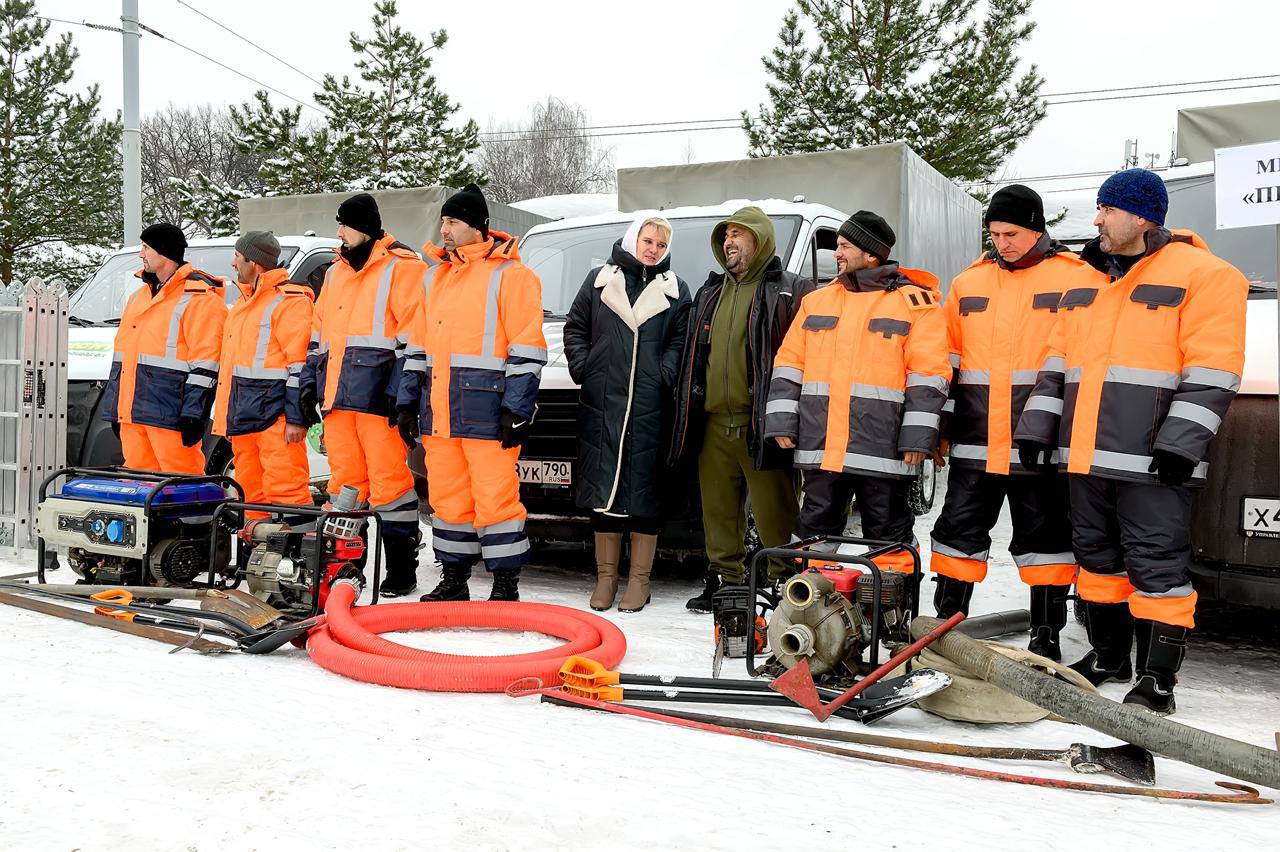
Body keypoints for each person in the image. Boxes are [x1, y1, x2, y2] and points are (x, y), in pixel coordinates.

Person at [1015, 169, 1247, 714]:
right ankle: (1109, 657)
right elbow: (1056, 367)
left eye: (1106, 210)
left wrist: (1181, 443)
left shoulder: (1206, 275)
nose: (1096, 220)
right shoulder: (1085, 282)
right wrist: (1035, 429)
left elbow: (1215, 368)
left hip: (1155, 460)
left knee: (1157, 567)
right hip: (1085, 456)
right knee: (1096, 562)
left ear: (1142, 216)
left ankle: (1158, 682)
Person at [929, 186, 1085, 660]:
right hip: (976, 441)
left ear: (1037, 227)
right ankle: (945, 627)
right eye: (995, 234)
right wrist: (939, 425)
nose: (1003, 243)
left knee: (1046, 543)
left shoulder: (1075, 279)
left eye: (1012, 233)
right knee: (956, 536)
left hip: (1038, 442)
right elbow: (945, 362)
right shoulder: (968, 284)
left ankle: (1046, 634)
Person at [766, 211, 949, 577]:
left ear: (871, 254)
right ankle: (813, 617)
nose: (837, 252)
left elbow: (929, 377)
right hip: (822, 448)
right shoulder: (818, 301)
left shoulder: (917, 305)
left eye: (845, 245)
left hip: (883, 452)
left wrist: (918, 438)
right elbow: (789, 364)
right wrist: (782, 420)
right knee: (813, 543)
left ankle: (891, 616)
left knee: (888, 544)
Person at [400, 184, 547, 603]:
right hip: (440, 413)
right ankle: (455, 578)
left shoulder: (513, 276)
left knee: (495, 498)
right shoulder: (433, 279)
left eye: (453, 222)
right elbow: (417, 346)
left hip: (487, 409)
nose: (444, 229)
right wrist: (408, 401)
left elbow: (528, 348)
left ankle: (505, 583)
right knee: (448, 499)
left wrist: (517, 408)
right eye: (443, 221)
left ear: (477, 227)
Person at [669, 206, 816, 612]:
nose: (729, 242)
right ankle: (726, 583)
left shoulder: (790, 290)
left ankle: (786, 588)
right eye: (726, 236)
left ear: (761, 240)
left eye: (738, 234)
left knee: (777, 516)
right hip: (714, 424)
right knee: (718, 514)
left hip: (762, 423)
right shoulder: (710, 293)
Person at [298, 193, 425, 598]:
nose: (338, 233)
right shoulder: (335, 273)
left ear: (365, 228)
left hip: (377, 402)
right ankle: (349, 568)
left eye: (344, 226)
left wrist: (401, 396)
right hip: (338, 400)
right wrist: (308, 386)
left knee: (391, 486)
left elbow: (413, 339)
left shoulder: (403, 268)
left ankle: (402, 569)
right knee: (344, 490)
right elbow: (318, 338)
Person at [563, 215, 692, 612]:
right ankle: (606, 578)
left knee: (644, 493)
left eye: (660, 244)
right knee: (604, 490)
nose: (652, 248)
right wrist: (588, 368)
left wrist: (662, 376)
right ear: (633, 238)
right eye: (647, 239)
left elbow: (680, 341)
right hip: (604, 403)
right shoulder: (598, 281)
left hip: (650, 407)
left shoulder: (675, 290)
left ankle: (639, 580)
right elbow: (575, 328)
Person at [211, 231, 316, 529]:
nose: (232, 263)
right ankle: (257, 564)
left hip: (276, 420)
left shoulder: (289, 302)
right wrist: (227, 420)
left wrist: (296, 419)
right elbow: (231, 371)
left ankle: (294, 564)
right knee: (250, 496)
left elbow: (301, 367)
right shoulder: (244, 305)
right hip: (246, 419)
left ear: (254, 262)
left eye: (237, 256)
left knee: (287, 491)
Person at [102, 222, 226, 474]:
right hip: (134, 416)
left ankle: (195, 516)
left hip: (171, 415)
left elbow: (207, 364)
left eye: (146, 248)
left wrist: (194, 413)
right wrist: (116, 407)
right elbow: (123, 361)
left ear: (165, 252)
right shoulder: (138, 298)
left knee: (183, 483)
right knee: (138, 485)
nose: (141, 254)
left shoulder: (200, 299)